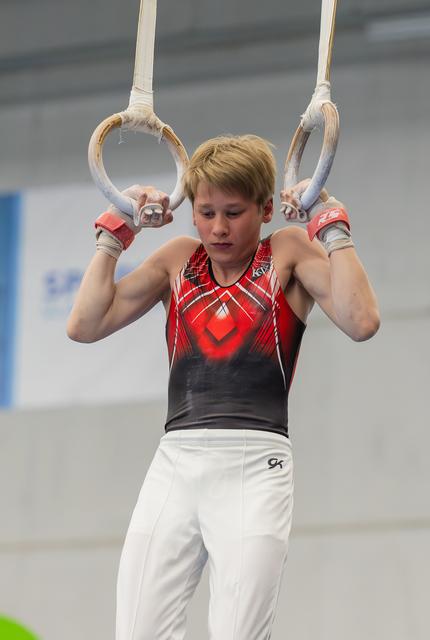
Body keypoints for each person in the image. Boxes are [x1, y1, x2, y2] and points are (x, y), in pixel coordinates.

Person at [67, 135, 380, 640]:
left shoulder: (287, 253)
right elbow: (84, 324)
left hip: (255, 466)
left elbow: (362, 320)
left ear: (265, 209)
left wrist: (333, 227)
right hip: (176, 463)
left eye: (233, 213)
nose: (217, 228)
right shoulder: (176, 260)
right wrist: (115, 233)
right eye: (206, 212)